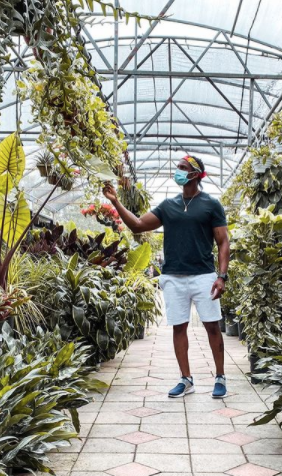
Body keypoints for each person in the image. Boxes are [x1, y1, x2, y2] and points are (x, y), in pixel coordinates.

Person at [103, 155, 230, 399]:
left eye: (183, 168)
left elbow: (223, 242)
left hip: (204, 275)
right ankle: (186, 379)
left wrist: (221, 276)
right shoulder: (167, 206)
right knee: (178, 328)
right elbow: (138, 225)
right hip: (173, 277)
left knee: (212, 327)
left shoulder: (211, 204)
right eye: (178, 168)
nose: (178, 172)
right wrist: (116, 202)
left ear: (195, 174)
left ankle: (220, 377)